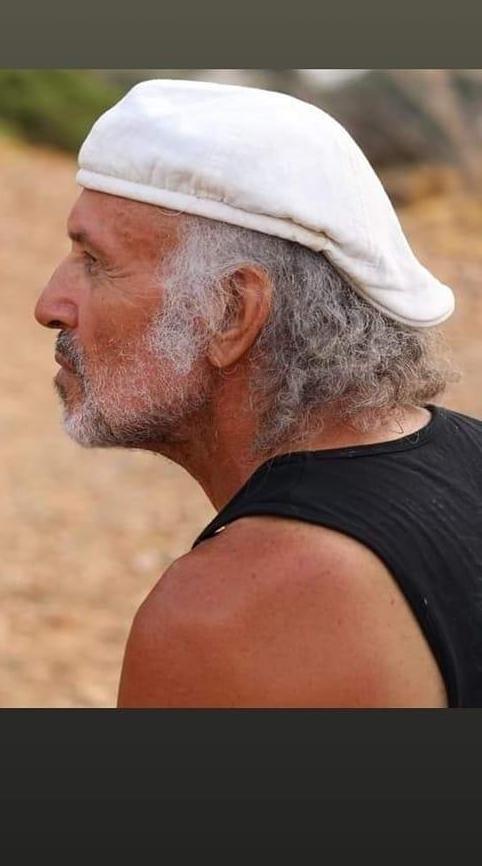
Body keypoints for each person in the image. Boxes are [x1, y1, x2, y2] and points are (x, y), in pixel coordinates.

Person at [34, 79, 482, 707]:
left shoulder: (229, 616)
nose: (49, 305)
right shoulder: (470, 454)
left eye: (96, 263)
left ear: (230, 313)